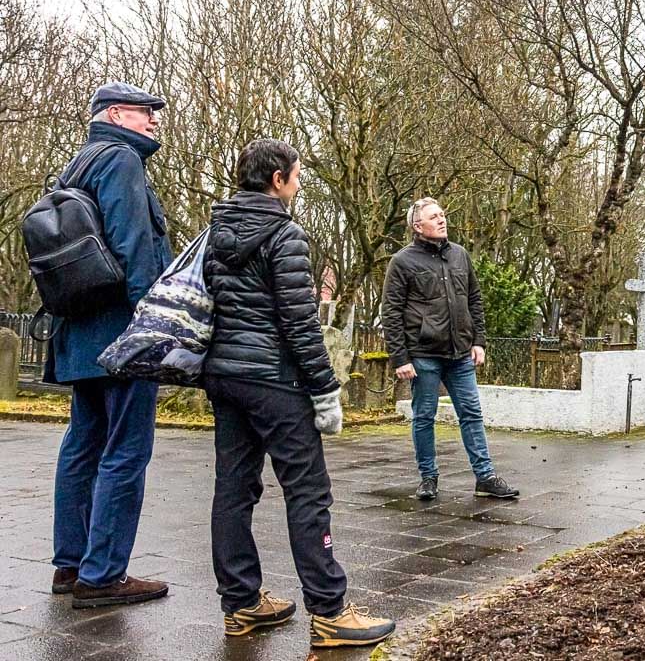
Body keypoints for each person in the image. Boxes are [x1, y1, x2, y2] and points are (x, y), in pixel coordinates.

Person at [202, 138, 394, 647]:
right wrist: (325, 389)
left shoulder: (216, 230)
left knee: (233, 489)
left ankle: (240, 604)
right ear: (277, 179)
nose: (298, 182)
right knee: (308, 491)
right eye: (297, 174)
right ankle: (330, 612)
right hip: (274, 380)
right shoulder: (284, 233)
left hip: (224, 375)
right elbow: (299, 323)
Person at [48, 82, 174, 608]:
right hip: (121, 333)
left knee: (83, 445)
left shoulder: (77, 164)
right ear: (117, 114)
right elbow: (133, 244)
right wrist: (152, 322)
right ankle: (103, 575)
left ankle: (71, 565)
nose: (154, 121)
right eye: (147, 112)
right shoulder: (121, 160)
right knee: (126, 450)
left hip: (81, 334)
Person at [382, 197, 519, 501]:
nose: (442, 219)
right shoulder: (402, 262)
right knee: (424, 416)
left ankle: (485, 477)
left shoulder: (460, 255)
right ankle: (428, 477)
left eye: (442, 214)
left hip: (460, 354)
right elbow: (391, 312)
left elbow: (474, 300)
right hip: (423, 355)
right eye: (434, 217)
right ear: (418, 226)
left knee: (471, 413)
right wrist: (400, 358)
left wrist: (479, 341)